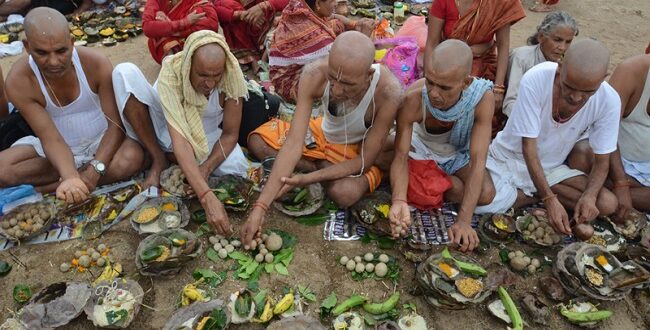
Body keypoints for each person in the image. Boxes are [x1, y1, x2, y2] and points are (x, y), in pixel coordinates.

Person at [242, 31, 402, 246]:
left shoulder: (389, 92)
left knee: (345, 193)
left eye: (347, 84)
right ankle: (323, 168)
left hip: (358, 150)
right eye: (333, 79)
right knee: (257, 140)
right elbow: (293, 144)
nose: (336, 90)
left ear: (369, 76)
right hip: (321, 134)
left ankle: (315, 170)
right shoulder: (314, 74)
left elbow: (364, 162)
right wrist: (260, 208)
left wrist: (306, 179)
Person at [476, 39, 619, 235]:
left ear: (604, 78)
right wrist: (549, 199)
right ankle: (532, 197)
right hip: (509, 159)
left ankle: (525, 196)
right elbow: (528, 148)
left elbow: (603, 162)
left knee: (607, 203)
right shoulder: (537, 77)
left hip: (550, 170)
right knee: (478, 199)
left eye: (587, 92)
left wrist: (590, 196)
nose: (576, 97)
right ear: (560, 66)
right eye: (569, 86)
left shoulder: (609, 100)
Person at [0, 7, 143, 203]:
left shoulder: (95, 63)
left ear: (72, 42)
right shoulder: (19, 81)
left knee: (132, 157)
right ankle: (70, 183)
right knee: (2, 170)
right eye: (41, 53)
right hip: (56, 150)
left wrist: (95, 169)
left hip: (102, 141)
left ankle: (51, 188)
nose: (53, 62)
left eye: (61, 51)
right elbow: (50, 138)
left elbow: (115, 126)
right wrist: (69, 175)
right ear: (27, 47)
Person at [113, 30, 249, 234]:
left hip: (205, 135)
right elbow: (182, 142)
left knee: (237, 168)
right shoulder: (172, 72)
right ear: (188, 67)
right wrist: (206, 196)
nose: (210, 84)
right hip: (165, 126)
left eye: (216, 76)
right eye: (202, 75)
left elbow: (229, 134)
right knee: (124, 72)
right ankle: (159, 158)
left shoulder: (232, 76)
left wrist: (205, 169)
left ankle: (181, 164)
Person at [390, 40, 495, 252]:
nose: (434, 93)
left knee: (485, 195)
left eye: (444, 87)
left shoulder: (482, 98)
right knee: (384, 154)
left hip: (456, 154)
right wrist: (399, 200)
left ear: (466, 83)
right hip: (420, 149)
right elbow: (400, 156)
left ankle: (429, 182)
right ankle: (429, 183)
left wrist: (464, 221)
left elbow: (478, 161)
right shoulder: (414, 98)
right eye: (430, 82)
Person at [424, 0, 525, 133]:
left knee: (487, 110)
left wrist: (499, 88)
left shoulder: (500, 2)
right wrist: (429, 79)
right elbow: (432, 42)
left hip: (483, 62)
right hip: (447, 62)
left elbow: (503, 46)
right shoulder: (444, 2)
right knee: (434, 111)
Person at [568, 54, 650, 216]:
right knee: (582, 153)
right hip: (611, 159)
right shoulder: (632, 71)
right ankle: (608, 198)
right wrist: (621, 184)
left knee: (609, 200)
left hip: (645, 170)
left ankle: (605, 199)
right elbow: (604, 129)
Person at [269, 0, 375, 103]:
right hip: (290, 85)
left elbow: (333, 18)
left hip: (285, 71)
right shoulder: (317, 36)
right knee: (346, 75)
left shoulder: (301, 8)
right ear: (318, 4)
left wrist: (352, 23)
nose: (336, 3)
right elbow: (347, 62)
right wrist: (364, 37)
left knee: (337, 24)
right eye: (332, 0)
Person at [503, 11, 578, 116]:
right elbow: (510, 103)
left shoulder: (569, 63)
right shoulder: (521, 57)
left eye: (568, 42)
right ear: (541, 37)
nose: (562, 47)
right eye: (557, 40)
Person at [215, 0, 289, 71]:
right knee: (226, 4)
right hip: (250, 28)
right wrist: (242, 15)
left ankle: (265, 56)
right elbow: (215, 9)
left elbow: (295, 3)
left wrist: (263, 6)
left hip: (273, 25)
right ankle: (251, 57)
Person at [142, 0, 219, 64]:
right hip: (168, 47)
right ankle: (173, 68)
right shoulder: (155, 1)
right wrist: (184, 22)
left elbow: (212, 24)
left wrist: (179, 31)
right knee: (159, 27)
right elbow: (147, 27)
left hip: (191, 44)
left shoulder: (197, 3)